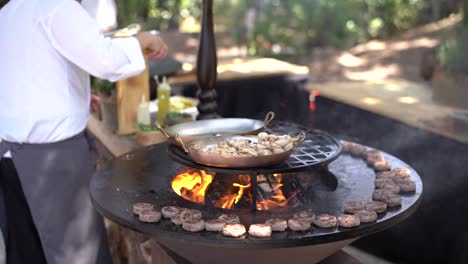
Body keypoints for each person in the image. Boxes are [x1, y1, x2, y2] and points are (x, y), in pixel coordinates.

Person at [0, 0, 168, 263]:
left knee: (26, 253)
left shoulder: (10, 11)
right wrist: (144, 38)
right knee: (79, 256)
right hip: (52, 162)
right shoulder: (57, 6)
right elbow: (105, 59)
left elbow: (27, 72)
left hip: (11, 158)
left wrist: (74, 97)